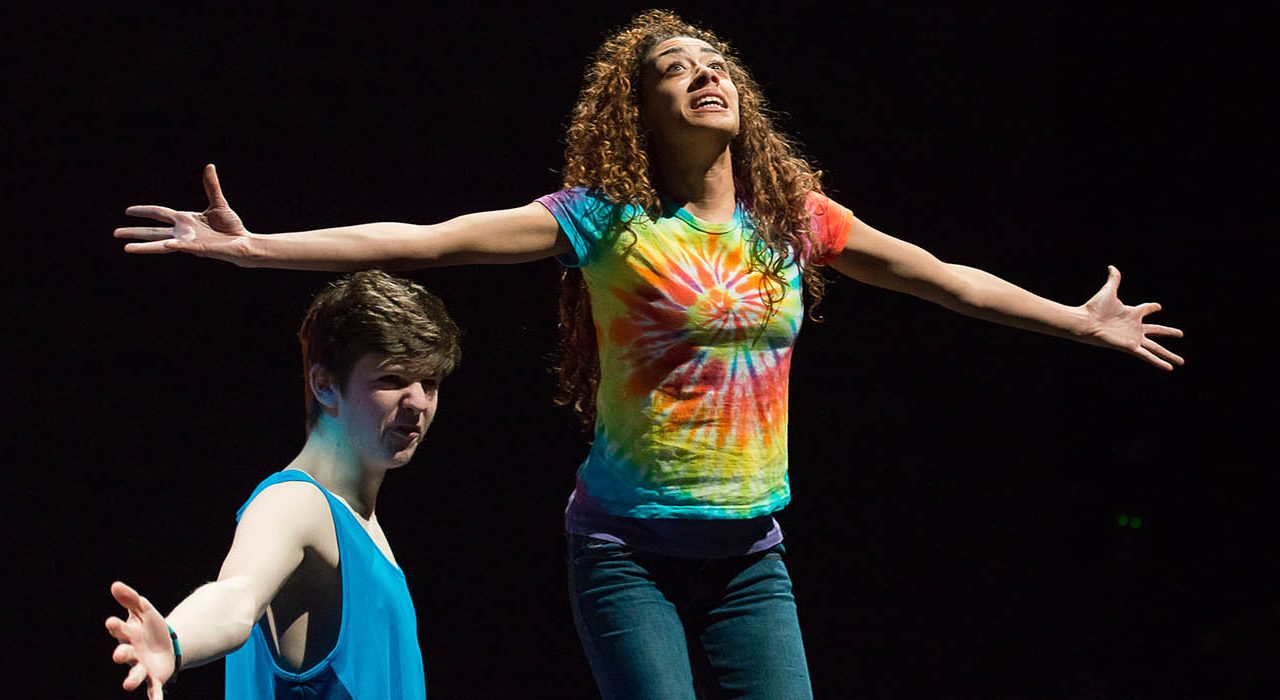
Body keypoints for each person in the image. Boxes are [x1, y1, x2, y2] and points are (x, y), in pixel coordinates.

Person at [114, 10, 1183, 699]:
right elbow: (428, 237)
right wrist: (255, 249)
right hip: (625, 552)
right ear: (643, 110)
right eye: (677, 71)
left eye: (716, 64)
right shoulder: (603, 222)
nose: (706, 76)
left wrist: (1075, 320)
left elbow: (943, 277)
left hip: (748, 556)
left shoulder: (794, 220)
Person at [104, 270, 461, 700]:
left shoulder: (360, 523)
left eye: (430, 383)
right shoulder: (294, 502)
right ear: (325, 385)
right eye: (392, 379)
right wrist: (177, 641)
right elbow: (237, 595)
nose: (419, 402)